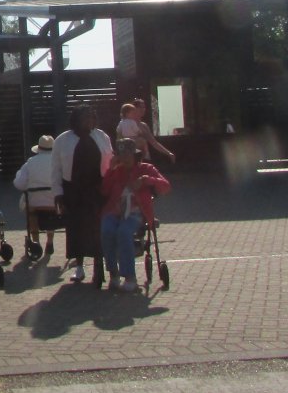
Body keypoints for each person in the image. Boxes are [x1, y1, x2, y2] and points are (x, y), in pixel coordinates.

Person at [50, 105, 113, 286]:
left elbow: (110, 160)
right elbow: (56, 169)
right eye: (85, 117)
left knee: (96, 226)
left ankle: (98, 264)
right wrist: (58, 194)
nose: (89, 121)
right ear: (76, 120)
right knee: (76, 226)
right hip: (73, 189)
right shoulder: (63, 140)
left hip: (97, 188)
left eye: (91, 117)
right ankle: (79, 266)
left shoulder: (101, 136)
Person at [99, 140, 170, 294]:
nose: (124, 159)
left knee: (124, 232)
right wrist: (110, 171)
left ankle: (130, 277)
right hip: (114, 211)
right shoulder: (116, 171)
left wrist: (146, 180)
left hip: (136, 213)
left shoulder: (146, 169)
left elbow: (165, 186)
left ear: (134, 155)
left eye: (127, 155)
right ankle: (113, 273)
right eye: (121, 156)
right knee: (106, 230)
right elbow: (104, 191)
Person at [13, 135, 59, 262]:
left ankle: (36, 241)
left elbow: (19, 184)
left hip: (35, 204)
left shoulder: (30, 163)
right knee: (52, 208)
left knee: (30, 209)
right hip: (55, 204)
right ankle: (50, 240)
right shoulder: (58, 162)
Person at [116, 98, 175, 164]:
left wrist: (168, 153)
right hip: (129, 158)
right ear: (133, 109)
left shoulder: (144, 126)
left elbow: (154, 142)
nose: (142, 109)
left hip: (144, 159)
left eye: (144, 107)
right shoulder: (125, 123)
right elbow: (119, 140)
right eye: (140, 107)